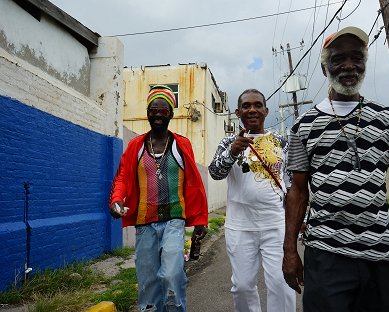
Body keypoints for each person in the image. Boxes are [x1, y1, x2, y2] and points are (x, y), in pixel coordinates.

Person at [282, 26, 389, 311]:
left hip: (383, 253)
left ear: (364, 63)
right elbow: (298, 192)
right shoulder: (303, 126)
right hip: (326, 253)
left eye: (357, 58)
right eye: (339, 59)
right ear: (326, 66)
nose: (349, 66)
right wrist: (289, 249)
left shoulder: (387, 118)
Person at [109, 85, 208, 312]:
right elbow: (122, 176)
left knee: (172, 274)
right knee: (148, 283)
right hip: (144, 224)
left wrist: (200, 219)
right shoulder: (136, 146)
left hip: (174, 220)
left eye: (163, 110)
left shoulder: (181, 145)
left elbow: (194, 184)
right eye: (153, 110)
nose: (157, 115)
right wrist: (116, 200)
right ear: (147, 113)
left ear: (171, 114)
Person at [209, 89, 296, 312]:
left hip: (275, 225)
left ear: (266, 111)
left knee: (281, 283)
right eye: (246, 106)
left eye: (257, 105)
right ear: (238, 112)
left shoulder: (281, 141)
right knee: (242, 286)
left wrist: (299, 218)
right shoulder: (229, 142)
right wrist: (231, 152)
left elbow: (291, 184)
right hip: (240, 227)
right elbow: (215, 173)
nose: (252, 110)